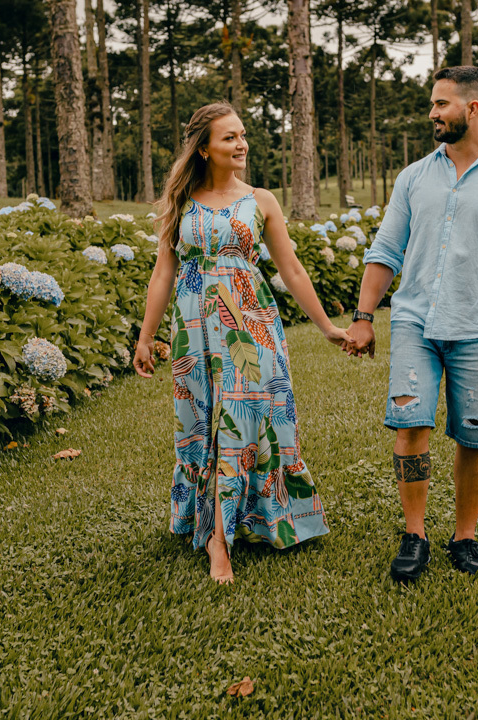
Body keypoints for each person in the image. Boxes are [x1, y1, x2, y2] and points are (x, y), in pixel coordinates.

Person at [342, 67, 478, 581]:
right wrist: (364, 317)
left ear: (473, 108)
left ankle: (464, 536)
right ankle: (414, 534)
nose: (433, 113)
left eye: (441, 104)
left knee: (473, 436)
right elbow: (385, 250)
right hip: (415, 321)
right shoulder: (414, 176)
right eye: (433, 104)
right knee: (411, 426)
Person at [133, 102, 349, 584]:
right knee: (198, 423)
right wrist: (145, 337)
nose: (241, 144)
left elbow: (291, 269)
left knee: (240, 420)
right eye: (229, 137)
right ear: (204, 148)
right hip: (193, 329)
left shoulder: (261, 200)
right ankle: (213, 520)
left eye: (243, 135)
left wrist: (327, 327)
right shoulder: (182, 203)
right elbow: (163, 272)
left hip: (249, 326)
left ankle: (220, 541)